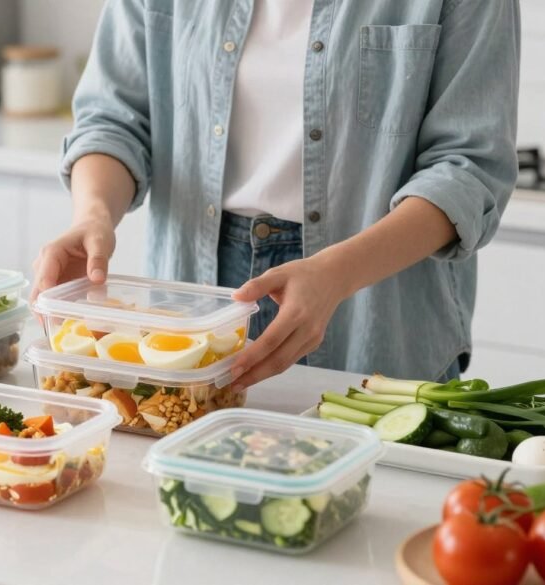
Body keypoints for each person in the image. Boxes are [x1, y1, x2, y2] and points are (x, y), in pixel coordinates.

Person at [32, 1, 520, 386]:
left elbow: (467, 169)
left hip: (374, 299)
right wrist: (93, 215)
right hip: (193, 293)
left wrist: (336, 274)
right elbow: (115, 120)